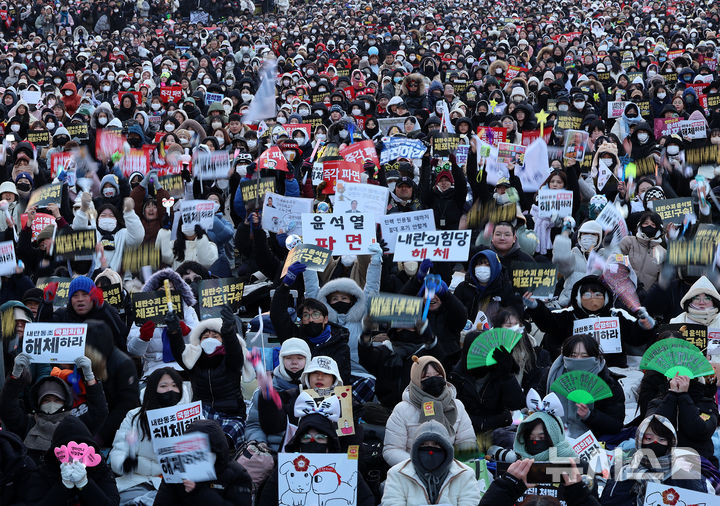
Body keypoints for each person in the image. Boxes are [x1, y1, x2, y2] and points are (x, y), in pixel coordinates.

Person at [109, 367, 190, 505]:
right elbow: (119, 452)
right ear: (153, 389)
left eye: (175, 385)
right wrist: (128, 463)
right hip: (139, 482)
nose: (170, 390)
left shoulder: (191, 417)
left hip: (181, 484)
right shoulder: (135, 417)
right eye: (163, 386)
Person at [383, 355, 477, 467]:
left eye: (438, 375)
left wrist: (450, 467)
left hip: (450, 472)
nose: (433, 380)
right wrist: (418, 465)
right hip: (413, 473)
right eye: (426, 377)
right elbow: (392, 450)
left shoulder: (457, 406)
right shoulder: (402, 410)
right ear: (416, 379)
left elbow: (467, 443)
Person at [601, 414, 709, 504]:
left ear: (670, 443)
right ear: (639, 440)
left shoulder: (687, 478)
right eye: (649, 438)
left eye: (662, 439)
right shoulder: (622, 473)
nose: (655, 443)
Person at [544, 334, 625, 439]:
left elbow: (616, 425)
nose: (578, 360)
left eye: (585, 356)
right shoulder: (552, 376)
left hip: (593, 441)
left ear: (595, 357)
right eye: (573, 356)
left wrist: (590, 416)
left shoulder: (608, 382)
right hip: (554, 437)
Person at [153, 420, 253, 506]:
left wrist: (199, 491)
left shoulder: (238, 475)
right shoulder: (176, 470)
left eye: (200, 453)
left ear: (216, 451)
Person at [381, 420, 482, 505]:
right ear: (415, 448)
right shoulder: (397, 474)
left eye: (436, 445)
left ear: (446, 448)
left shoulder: (465, 474)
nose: (430, 451)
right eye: (424, 445)